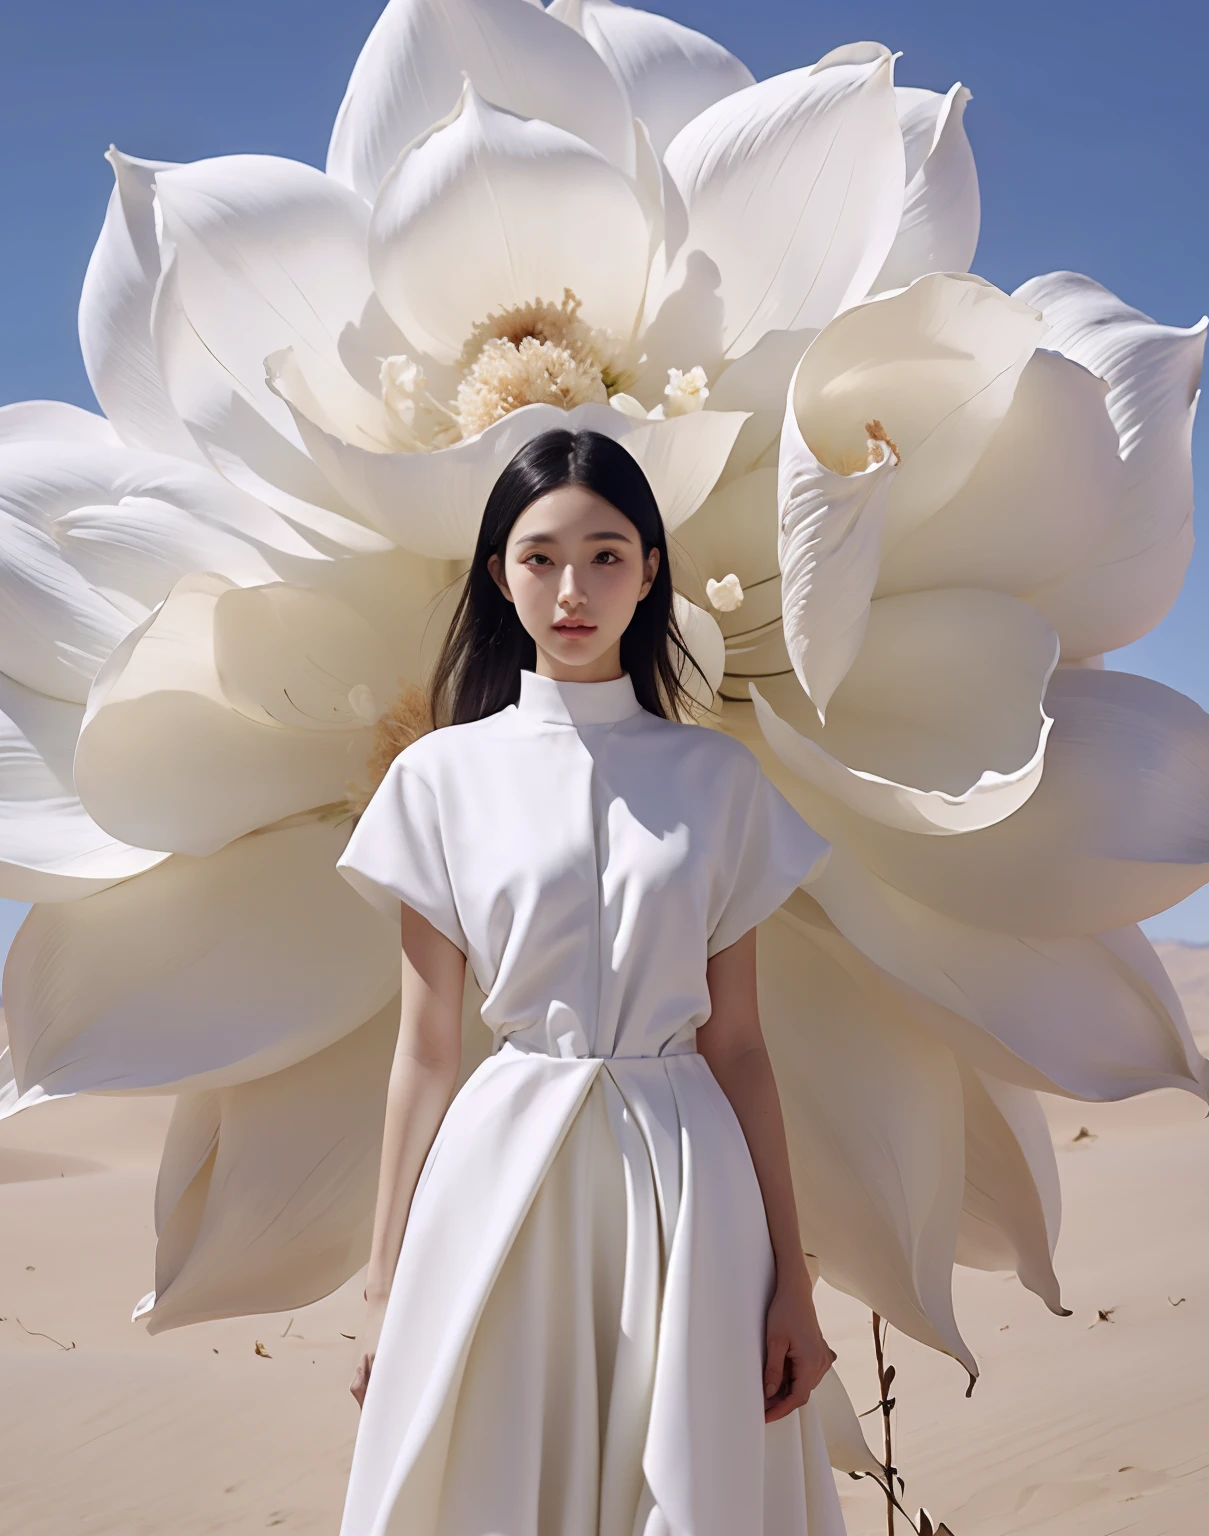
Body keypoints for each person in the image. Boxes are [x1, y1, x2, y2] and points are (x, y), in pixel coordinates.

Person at [333, 428, 845, 1536]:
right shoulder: (437, 779)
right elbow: (425, 1051)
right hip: (501, 1175)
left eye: (608, 555)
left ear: (652, 569)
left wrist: (793, 1285)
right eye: (541, 557)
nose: (574, 589)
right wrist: (383, 1290)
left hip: (691, 1184)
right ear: (496, 573)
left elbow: (742, 1045)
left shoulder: (719, 780)